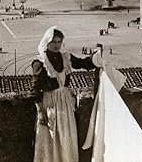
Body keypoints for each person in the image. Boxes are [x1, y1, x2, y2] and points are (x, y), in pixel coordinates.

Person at [30, 26, 100, 162]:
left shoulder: (66, 57)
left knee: (66, 135)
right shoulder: (40, 63)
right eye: (53, 42)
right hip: (50, 103)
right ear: (47, 43)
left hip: (65, 105)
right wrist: (40, 111)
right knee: (51, 137)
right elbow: (35, 89)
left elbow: (83, 63)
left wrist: (95, 56)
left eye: (59, 42)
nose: (56, 45)